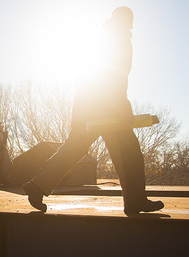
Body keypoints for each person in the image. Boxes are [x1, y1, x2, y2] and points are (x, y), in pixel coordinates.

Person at [22, 7, 164, 216]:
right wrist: (123, 110)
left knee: (75, 147)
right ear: (125, 21)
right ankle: (135, 200)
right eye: (128, 19)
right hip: (104, 105)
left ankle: (37, 186)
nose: (130, 23)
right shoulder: (119, 39)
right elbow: (116, 78)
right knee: (129, 149)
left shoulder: (105, 36)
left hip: (87, 103)